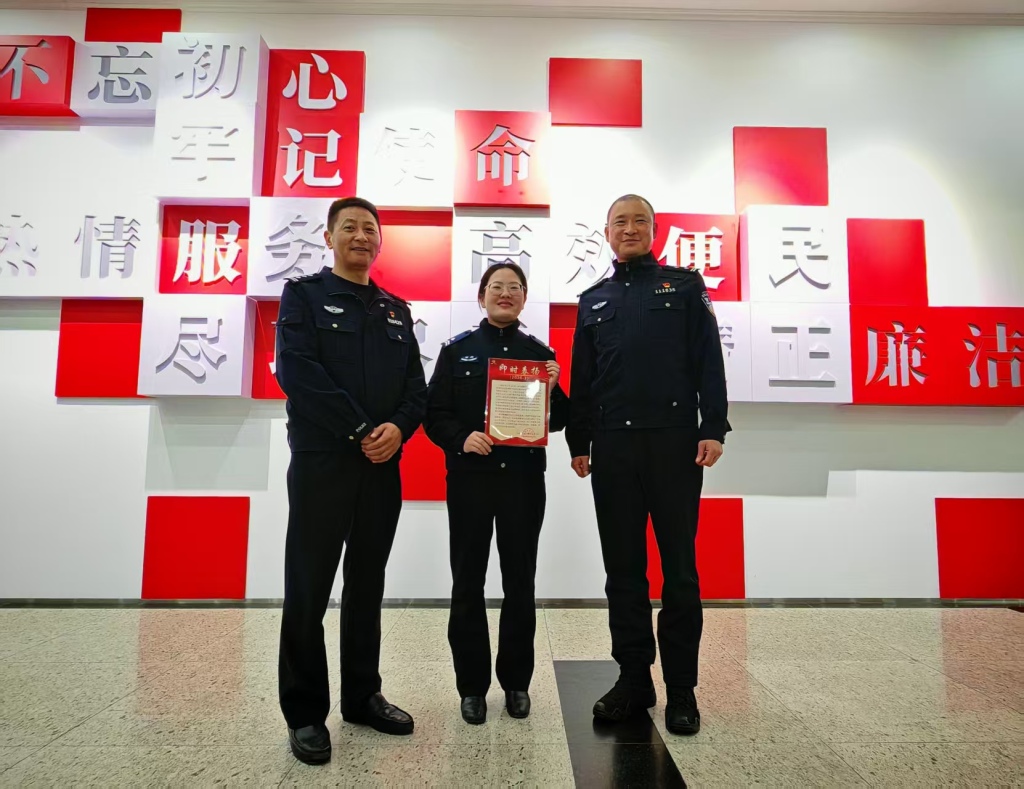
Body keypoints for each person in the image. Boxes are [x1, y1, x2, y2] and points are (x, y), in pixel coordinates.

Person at [566, 194, 730, 736]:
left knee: (679, 571)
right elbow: (584, 376)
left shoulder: (684, 287)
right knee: (623, 572)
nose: (630, 228)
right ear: (607, 233)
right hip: (613, 447)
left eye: (640, 221)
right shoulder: (593, 300)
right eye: (621, 222)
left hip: (674, 444)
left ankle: (682, 688)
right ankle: (634, 679)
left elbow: (708, 359)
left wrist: (712, 426)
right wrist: (579, 439)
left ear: (654, 231)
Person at [275, 196, 427, 765]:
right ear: (329, 236)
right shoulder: (304, 296)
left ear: (380, 241)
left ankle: (363, 697)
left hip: (381, 467)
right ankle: (305, 713)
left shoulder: (395, 310)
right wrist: (361, 428)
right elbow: (297, 372)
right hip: (323, 463)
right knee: (309, 587)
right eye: (350, 228)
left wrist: (398, 428)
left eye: (369, 229)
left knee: (367, 585)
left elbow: (416, 388)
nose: (361, 236)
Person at [424, 263, 570, 725]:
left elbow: (560, 421)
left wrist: (551, 388)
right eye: (496, 287)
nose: (505, 294)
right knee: (467, 582)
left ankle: (516, 683)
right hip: (470, 480)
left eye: (514, 287)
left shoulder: (538, 355)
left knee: (520, 582)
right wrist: (461, 438)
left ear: (524, 297)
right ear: (482, 296)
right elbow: (434, 413)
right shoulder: (458, 351)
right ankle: (471, 687)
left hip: (522, 483)